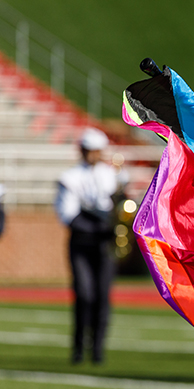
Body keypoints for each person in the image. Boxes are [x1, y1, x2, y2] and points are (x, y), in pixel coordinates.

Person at [54, 128, 126, 365]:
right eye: (89, 150)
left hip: (104, 244)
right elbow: (68, 215)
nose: (93, 155)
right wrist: (100, 226)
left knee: (102, 297)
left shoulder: (111, 175)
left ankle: (97, 349)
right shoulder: (70, 176)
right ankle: (77, 347)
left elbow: (119, 204)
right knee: (84, 295)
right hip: (82, 242)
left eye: (96, 151)